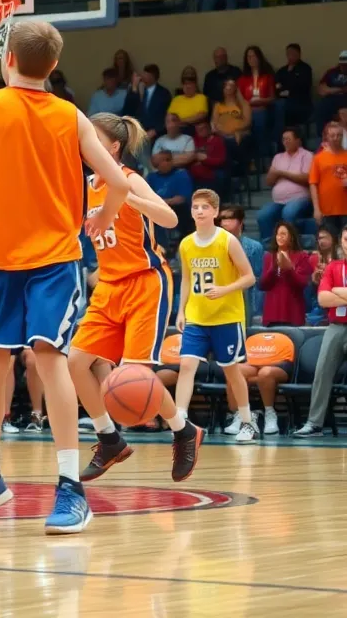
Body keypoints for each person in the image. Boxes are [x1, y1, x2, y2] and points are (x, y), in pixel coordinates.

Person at [0, 21, 131, 535]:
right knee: (46, 360)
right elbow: (115, 180)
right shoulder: (71, 114)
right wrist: (105, 214)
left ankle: (46, 484)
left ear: (8, 58)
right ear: (54, 67)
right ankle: (0, 483)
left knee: (0, 361)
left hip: (7, 258)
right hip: (42, 260)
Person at [68, 114, 203, 483]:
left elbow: (170, 218)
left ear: (113, 147)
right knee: (76, 362)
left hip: (146, 282)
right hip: (108, 286)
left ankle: (183, 429)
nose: (85, 144)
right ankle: (109, 439)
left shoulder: (129, 179)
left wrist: (130, 199)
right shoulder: (83, 187)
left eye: (92, 138)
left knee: (135, 375)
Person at [175, 189, 258, 443]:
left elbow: (249, 277)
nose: (199, 211)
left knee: (232, 371)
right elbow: (187, 280)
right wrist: (181, 310)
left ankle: (247, 422)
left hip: (226, 317)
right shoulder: (186, 243)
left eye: (204, 207)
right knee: (186, 366)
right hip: (197, 317)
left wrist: (225, 289)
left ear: (215, 212)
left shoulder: (227, 241)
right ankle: (180, 423)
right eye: (195, 207)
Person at [295, 223, 347, 440]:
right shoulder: (333, 267)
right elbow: (322, 299)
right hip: (335, 326)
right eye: (346, 239)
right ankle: (314, 423)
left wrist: (336, 291)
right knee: (322, 374)